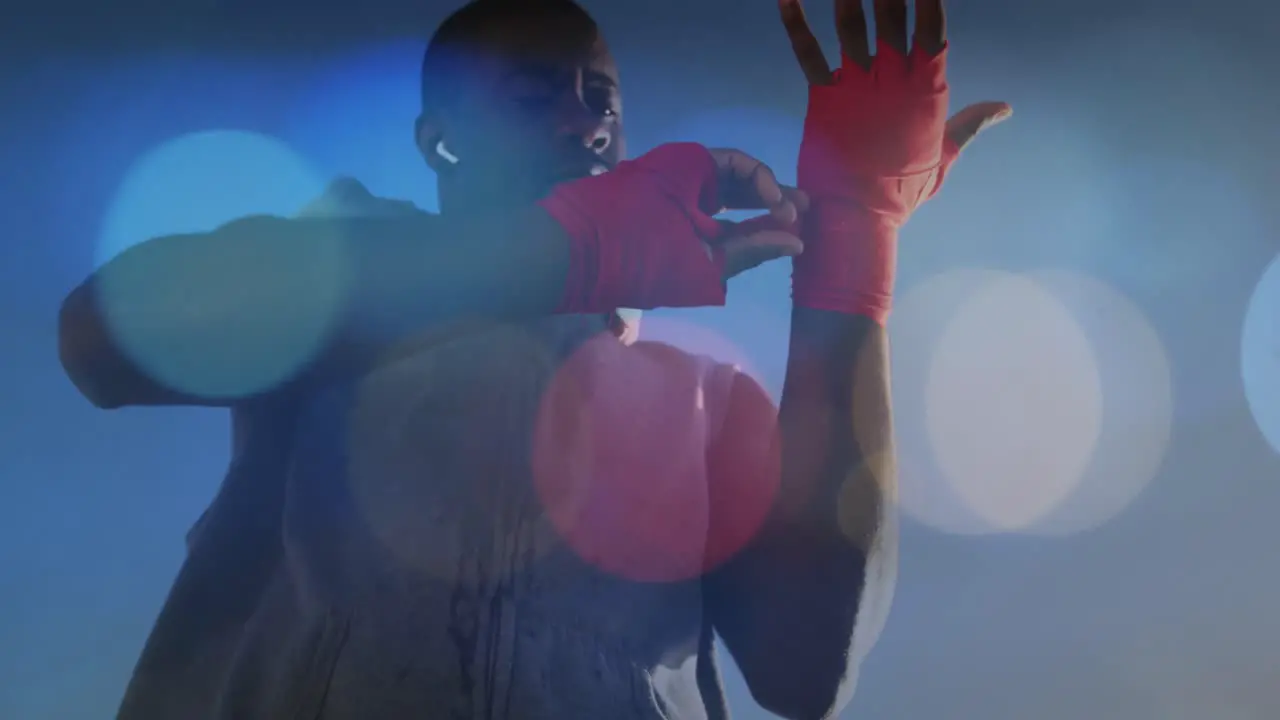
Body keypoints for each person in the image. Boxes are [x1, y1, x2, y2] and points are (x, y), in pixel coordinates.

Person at [57, 0, 1009, 717]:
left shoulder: (704, 400)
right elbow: (103, 340)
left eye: (603, 98)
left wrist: (855, 248)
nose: (585, 121)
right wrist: (558, 250)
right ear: (439, 142)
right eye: (532, 90)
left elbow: (807, 671)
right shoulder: (336, 274)